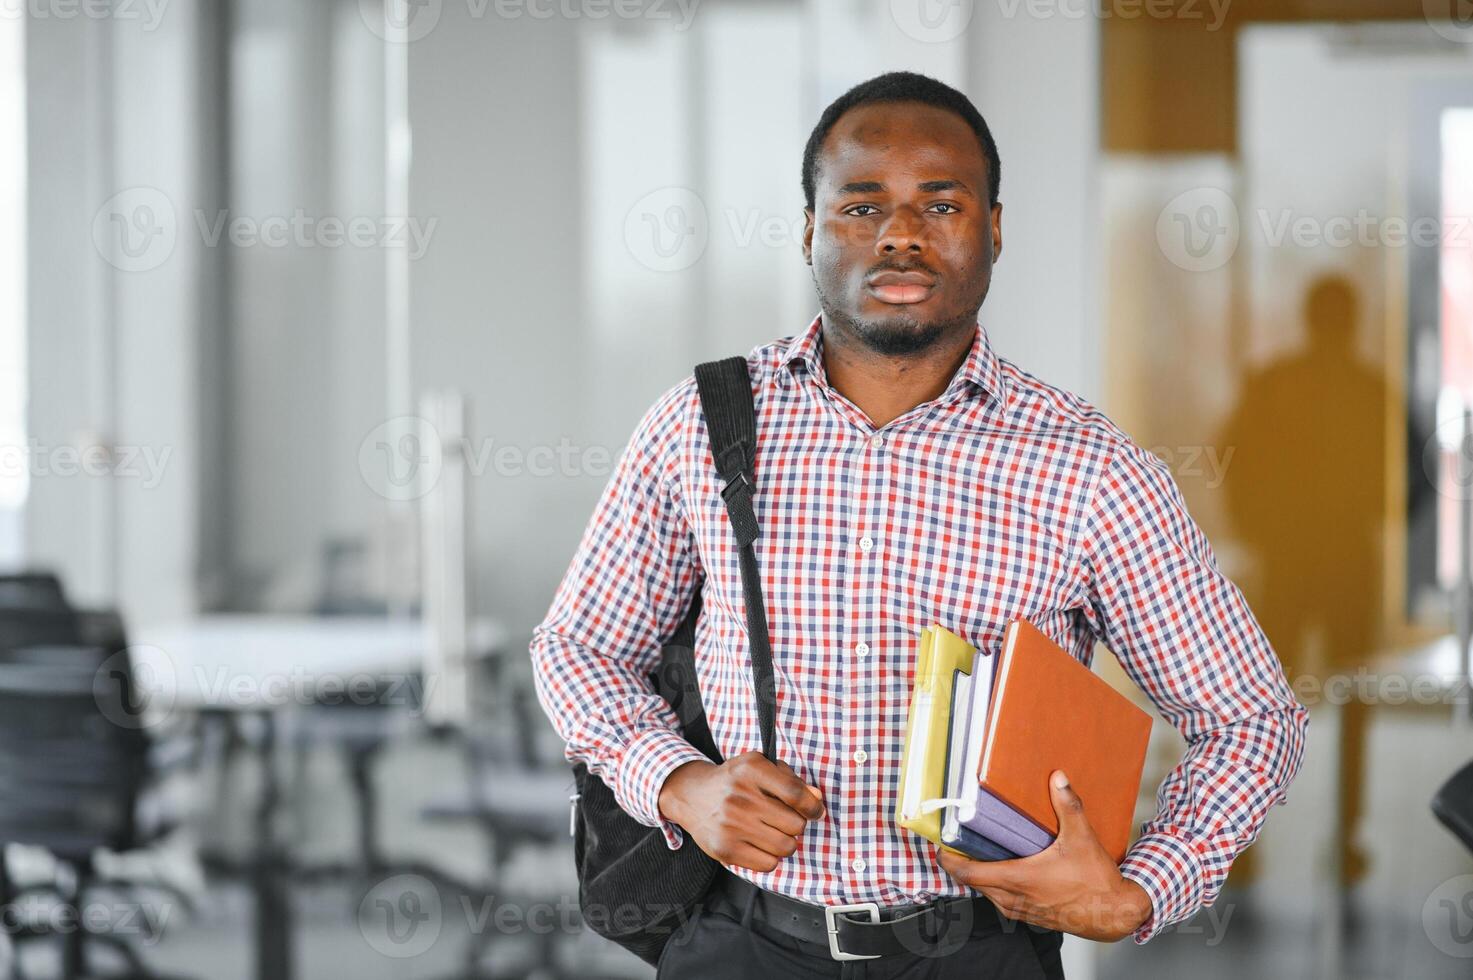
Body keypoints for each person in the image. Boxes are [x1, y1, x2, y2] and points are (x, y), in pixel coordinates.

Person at [530, 71, 1308, 978]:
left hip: (977, 954)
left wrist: (1140, 890)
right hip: (740, 943)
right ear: (810, 231)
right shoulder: (699, 426)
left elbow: (1252, 718)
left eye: (940, 203)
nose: (899, 233)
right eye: (861, 206)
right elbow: (576, 647)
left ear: (994, 228)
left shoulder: (1085, 465)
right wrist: (676, 781)